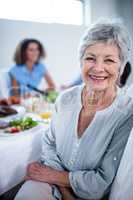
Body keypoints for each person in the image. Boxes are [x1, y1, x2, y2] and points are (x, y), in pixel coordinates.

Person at [15, 20, 133, 200]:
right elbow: (49, 144)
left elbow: (100, 182)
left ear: (121, 66)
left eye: (109, 60)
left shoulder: (126, 113)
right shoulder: (65, 99)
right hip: (51, 181)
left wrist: (53, 176)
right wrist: (62, 188)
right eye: (90, 58)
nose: (98, 68)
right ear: (81, 61)